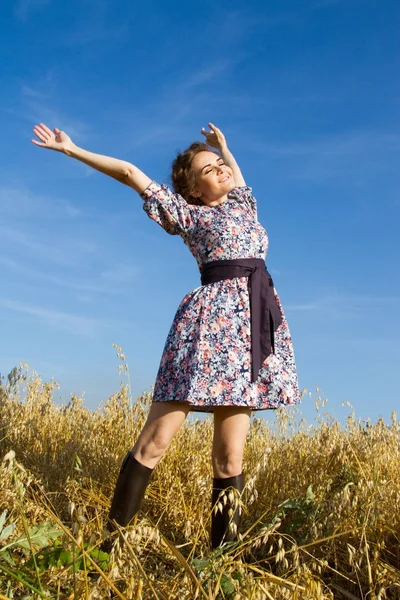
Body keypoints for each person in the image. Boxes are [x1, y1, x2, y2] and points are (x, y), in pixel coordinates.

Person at [32, 122, 301, 550]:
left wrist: (224, 148)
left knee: (230, 457)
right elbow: (129, 173)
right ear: (193, 189)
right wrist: (74, 150)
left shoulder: (245, 207)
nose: (221, 171)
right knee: (155, 441)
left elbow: (238, 173)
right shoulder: (189, 215)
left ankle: (220, 565)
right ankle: (109, 549)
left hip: (249, 328)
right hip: (207, 329)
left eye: (220, 166)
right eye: (209, 170)